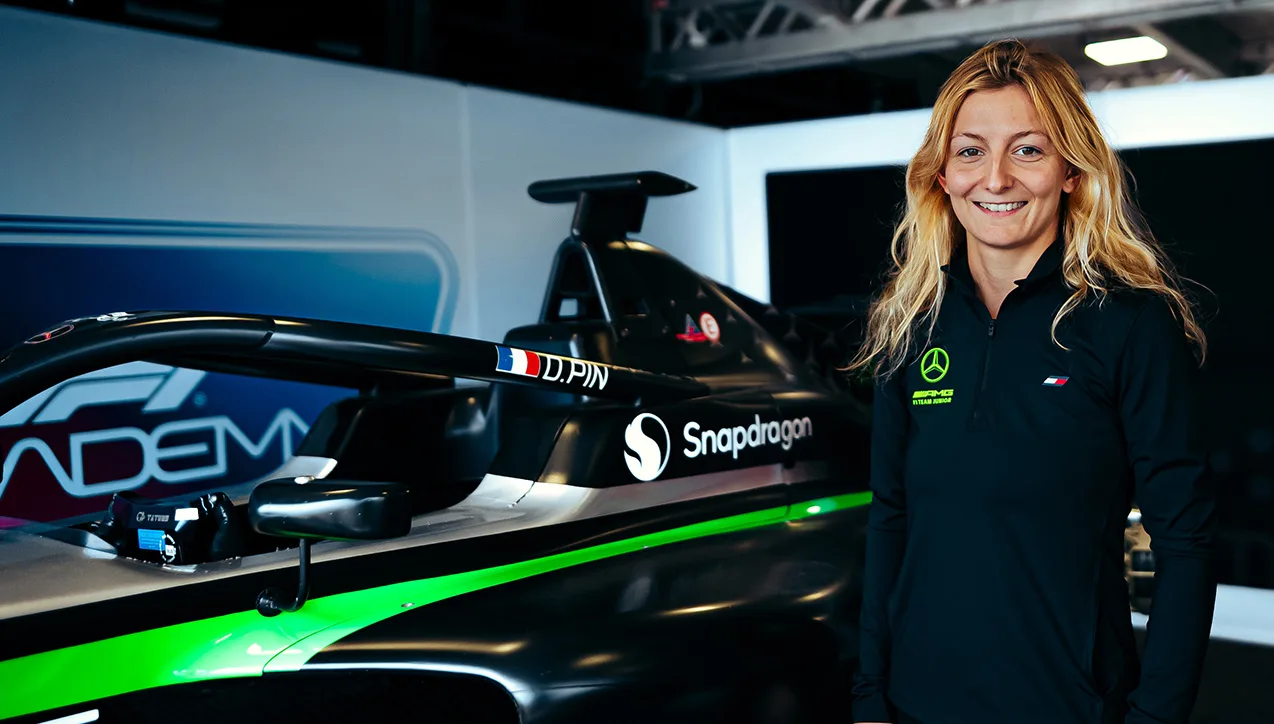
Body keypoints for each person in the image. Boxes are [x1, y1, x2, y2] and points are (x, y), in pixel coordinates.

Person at [844, 39, 1218, 724]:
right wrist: (870, 697)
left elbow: (1186, 543)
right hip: (915, 705)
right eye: (971, 151)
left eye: (1027, 149)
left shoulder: (1129, 324)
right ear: (942, 176)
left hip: (1068, 707)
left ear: (1070, 170)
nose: (996, 178)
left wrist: (1156, 717)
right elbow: (892, 520)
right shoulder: (910, 325)